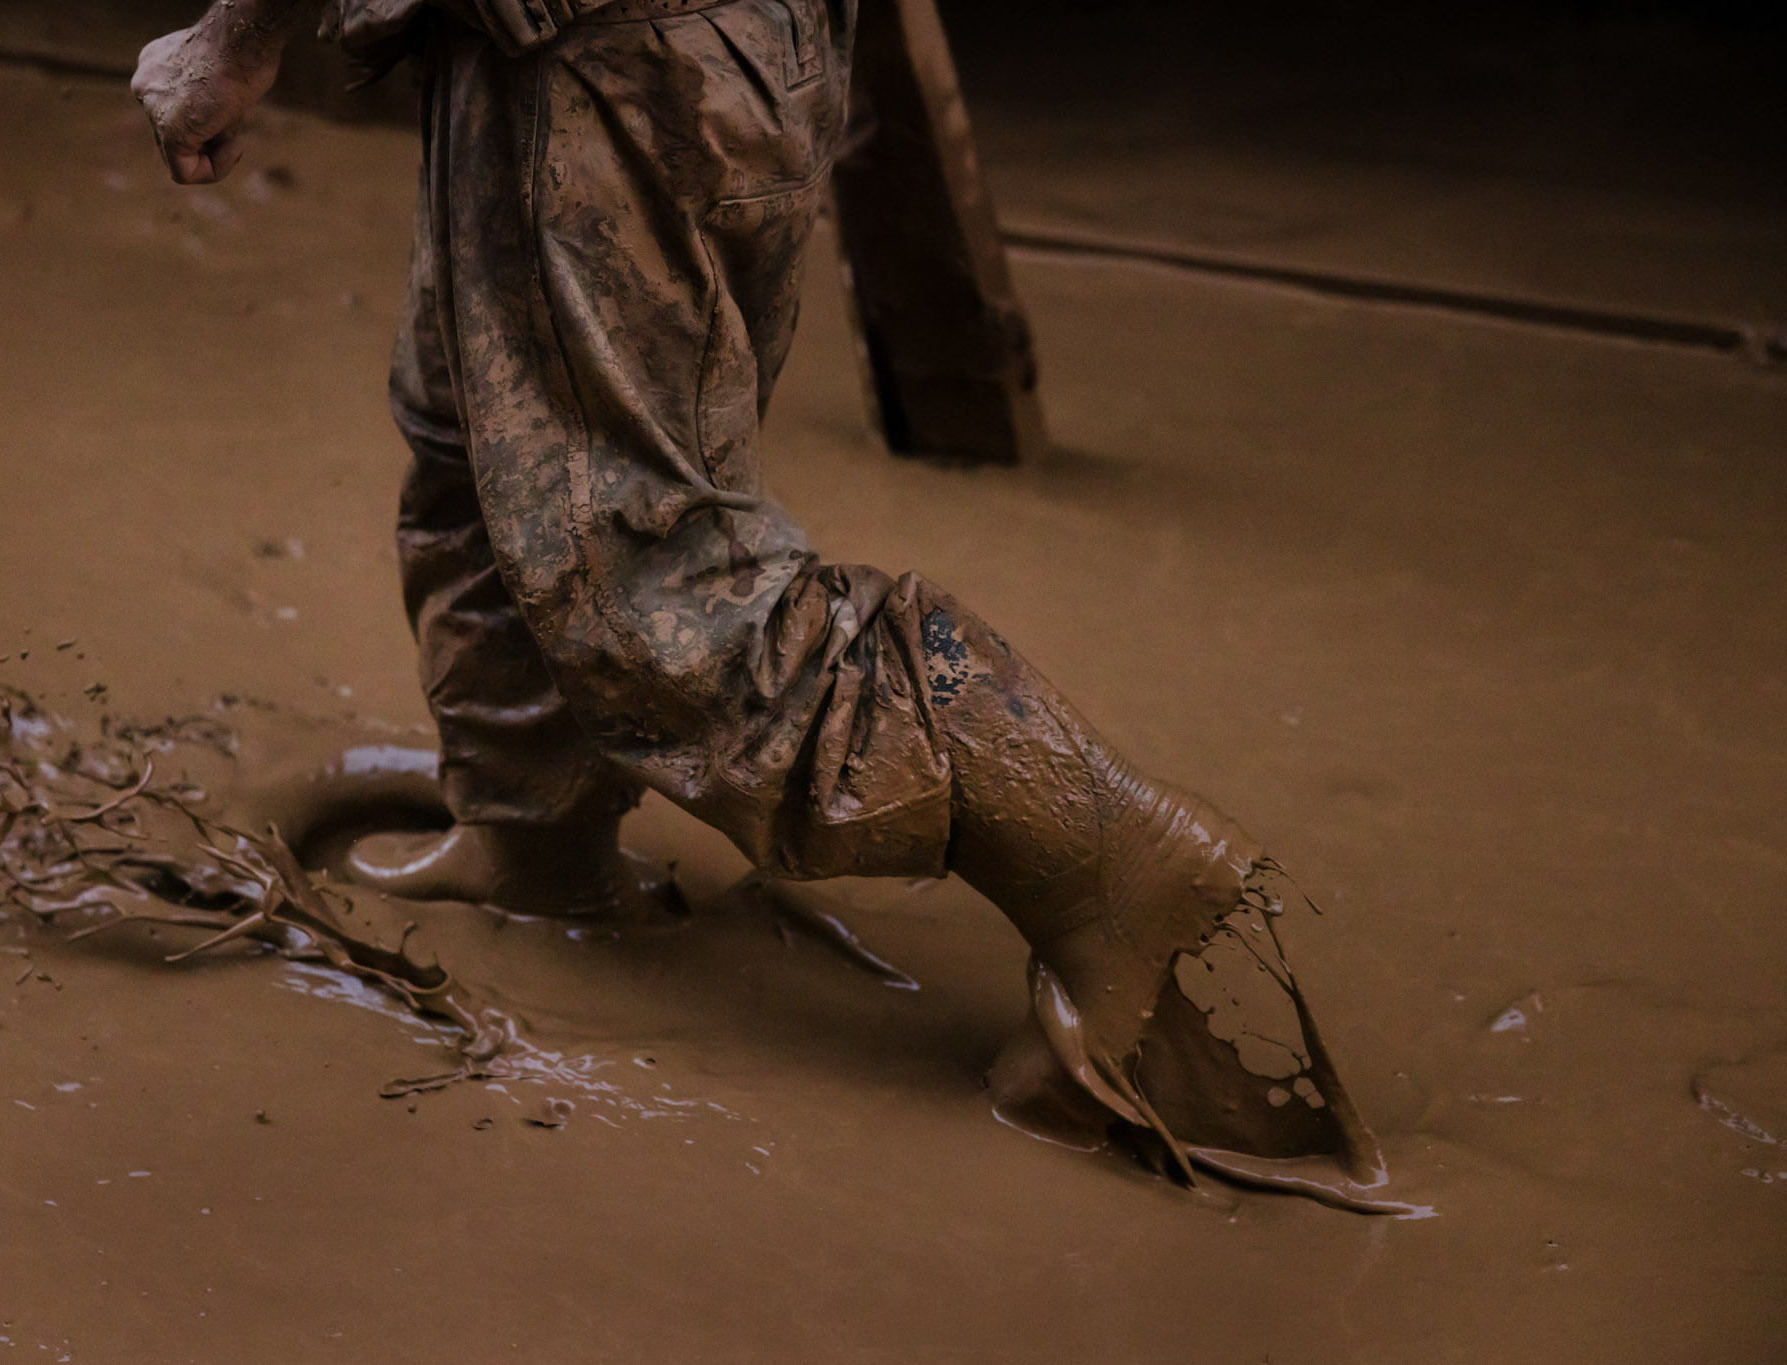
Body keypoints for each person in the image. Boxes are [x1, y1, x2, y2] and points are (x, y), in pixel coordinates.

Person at [132, 0, 1396, 1202]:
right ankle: (533, 846)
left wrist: (234, 41)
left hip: (608, 60)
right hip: (724, 44)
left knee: (654, 577)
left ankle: (1112, 865)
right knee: (483, 437)